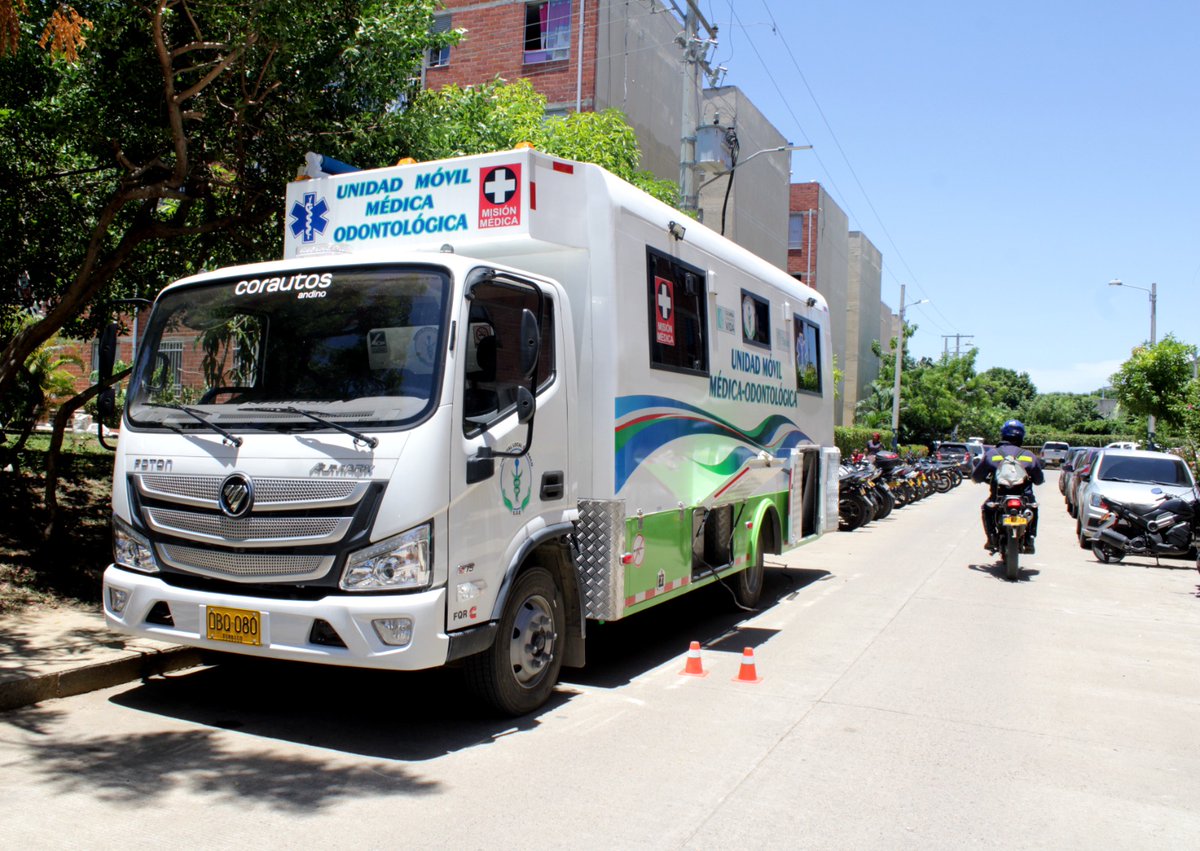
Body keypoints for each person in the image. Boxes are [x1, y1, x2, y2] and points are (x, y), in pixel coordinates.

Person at [972, 419, 1044, 553]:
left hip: (998, 498)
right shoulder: (1029, 456)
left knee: (987, 508)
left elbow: (976, 476)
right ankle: (1030, 538)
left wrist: (983, 479)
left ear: (1003, 434)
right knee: (1033, 508)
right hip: (1025, 498)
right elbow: (1039, 480)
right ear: (1022, 436)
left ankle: (991, 537)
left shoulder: (992, 454)